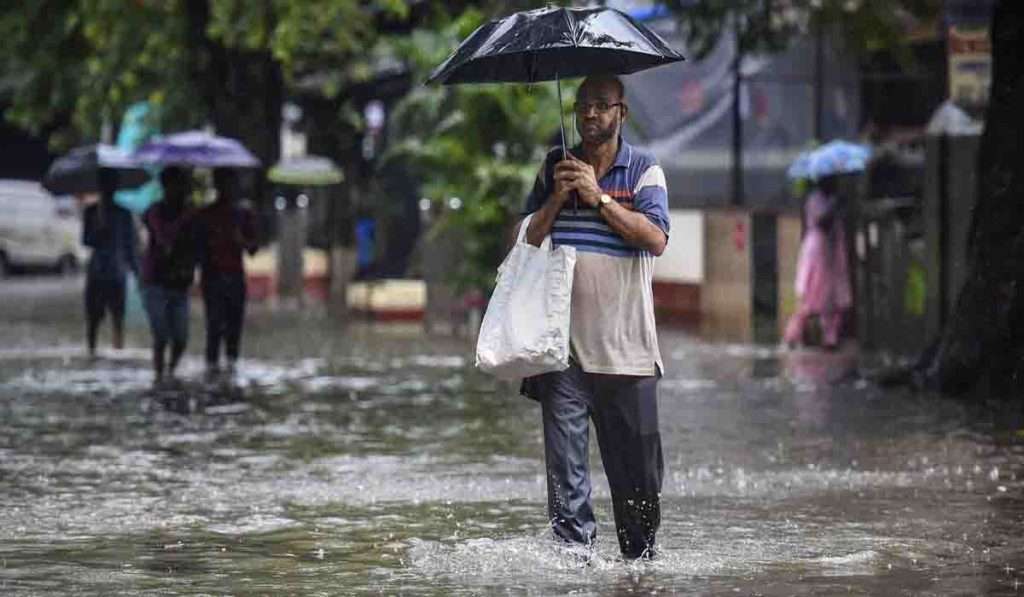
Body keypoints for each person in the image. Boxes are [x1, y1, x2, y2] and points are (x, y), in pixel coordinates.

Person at [518, 75, 670, 561]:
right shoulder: (553, 167)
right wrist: (558, 198)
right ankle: (574, 568)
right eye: (583, 105)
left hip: (629, 356)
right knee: (566, 486)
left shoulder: (645, 170)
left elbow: (655, 239)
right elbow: (525, 242)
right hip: (561, 355)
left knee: (639, 493)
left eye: (601, 106)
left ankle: (639, 574)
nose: (589, 115)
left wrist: (599, 197)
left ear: (621, 113)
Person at [197, 168, 258, 378]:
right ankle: (211, 371)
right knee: (214, 328)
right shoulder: (205, 215)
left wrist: (240, 239)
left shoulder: (243, 214)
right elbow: (198, 248)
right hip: (212, 278)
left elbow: (253, 249)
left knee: (234, 329)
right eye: (223, 183)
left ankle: (231, 369)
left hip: (234, 278)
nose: (228, 189)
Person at [141, 167, 199, 384]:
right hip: (155, 282)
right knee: (161, 333)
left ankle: (170, 372)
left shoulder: (191, 214)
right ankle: (158, 376)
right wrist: (185, 219)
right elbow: (165, 240)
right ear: (167, 187)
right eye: (179, 185)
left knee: (181, 338)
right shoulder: (155, 211)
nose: (183, 190)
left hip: (179, 283)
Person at [783, 174, 852, 349]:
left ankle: (831, 338)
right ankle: (793, 334)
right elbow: (822, 221)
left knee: (834, 300)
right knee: (812, 299)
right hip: (819, 252)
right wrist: (834, 206)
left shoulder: (831, 200)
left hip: (832, 253)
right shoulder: (815, 199)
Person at [82, 168, 139, 357]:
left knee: (118, 316)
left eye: (112, 184)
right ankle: (92, 351)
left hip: (116, 271)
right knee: (93, 317)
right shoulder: (91, 212)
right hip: (97, 270)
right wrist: (98, 231)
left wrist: (138, 273)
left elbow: (130, 244)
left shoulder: (124, 214)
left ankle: (118, 350)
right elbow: (85, 240)